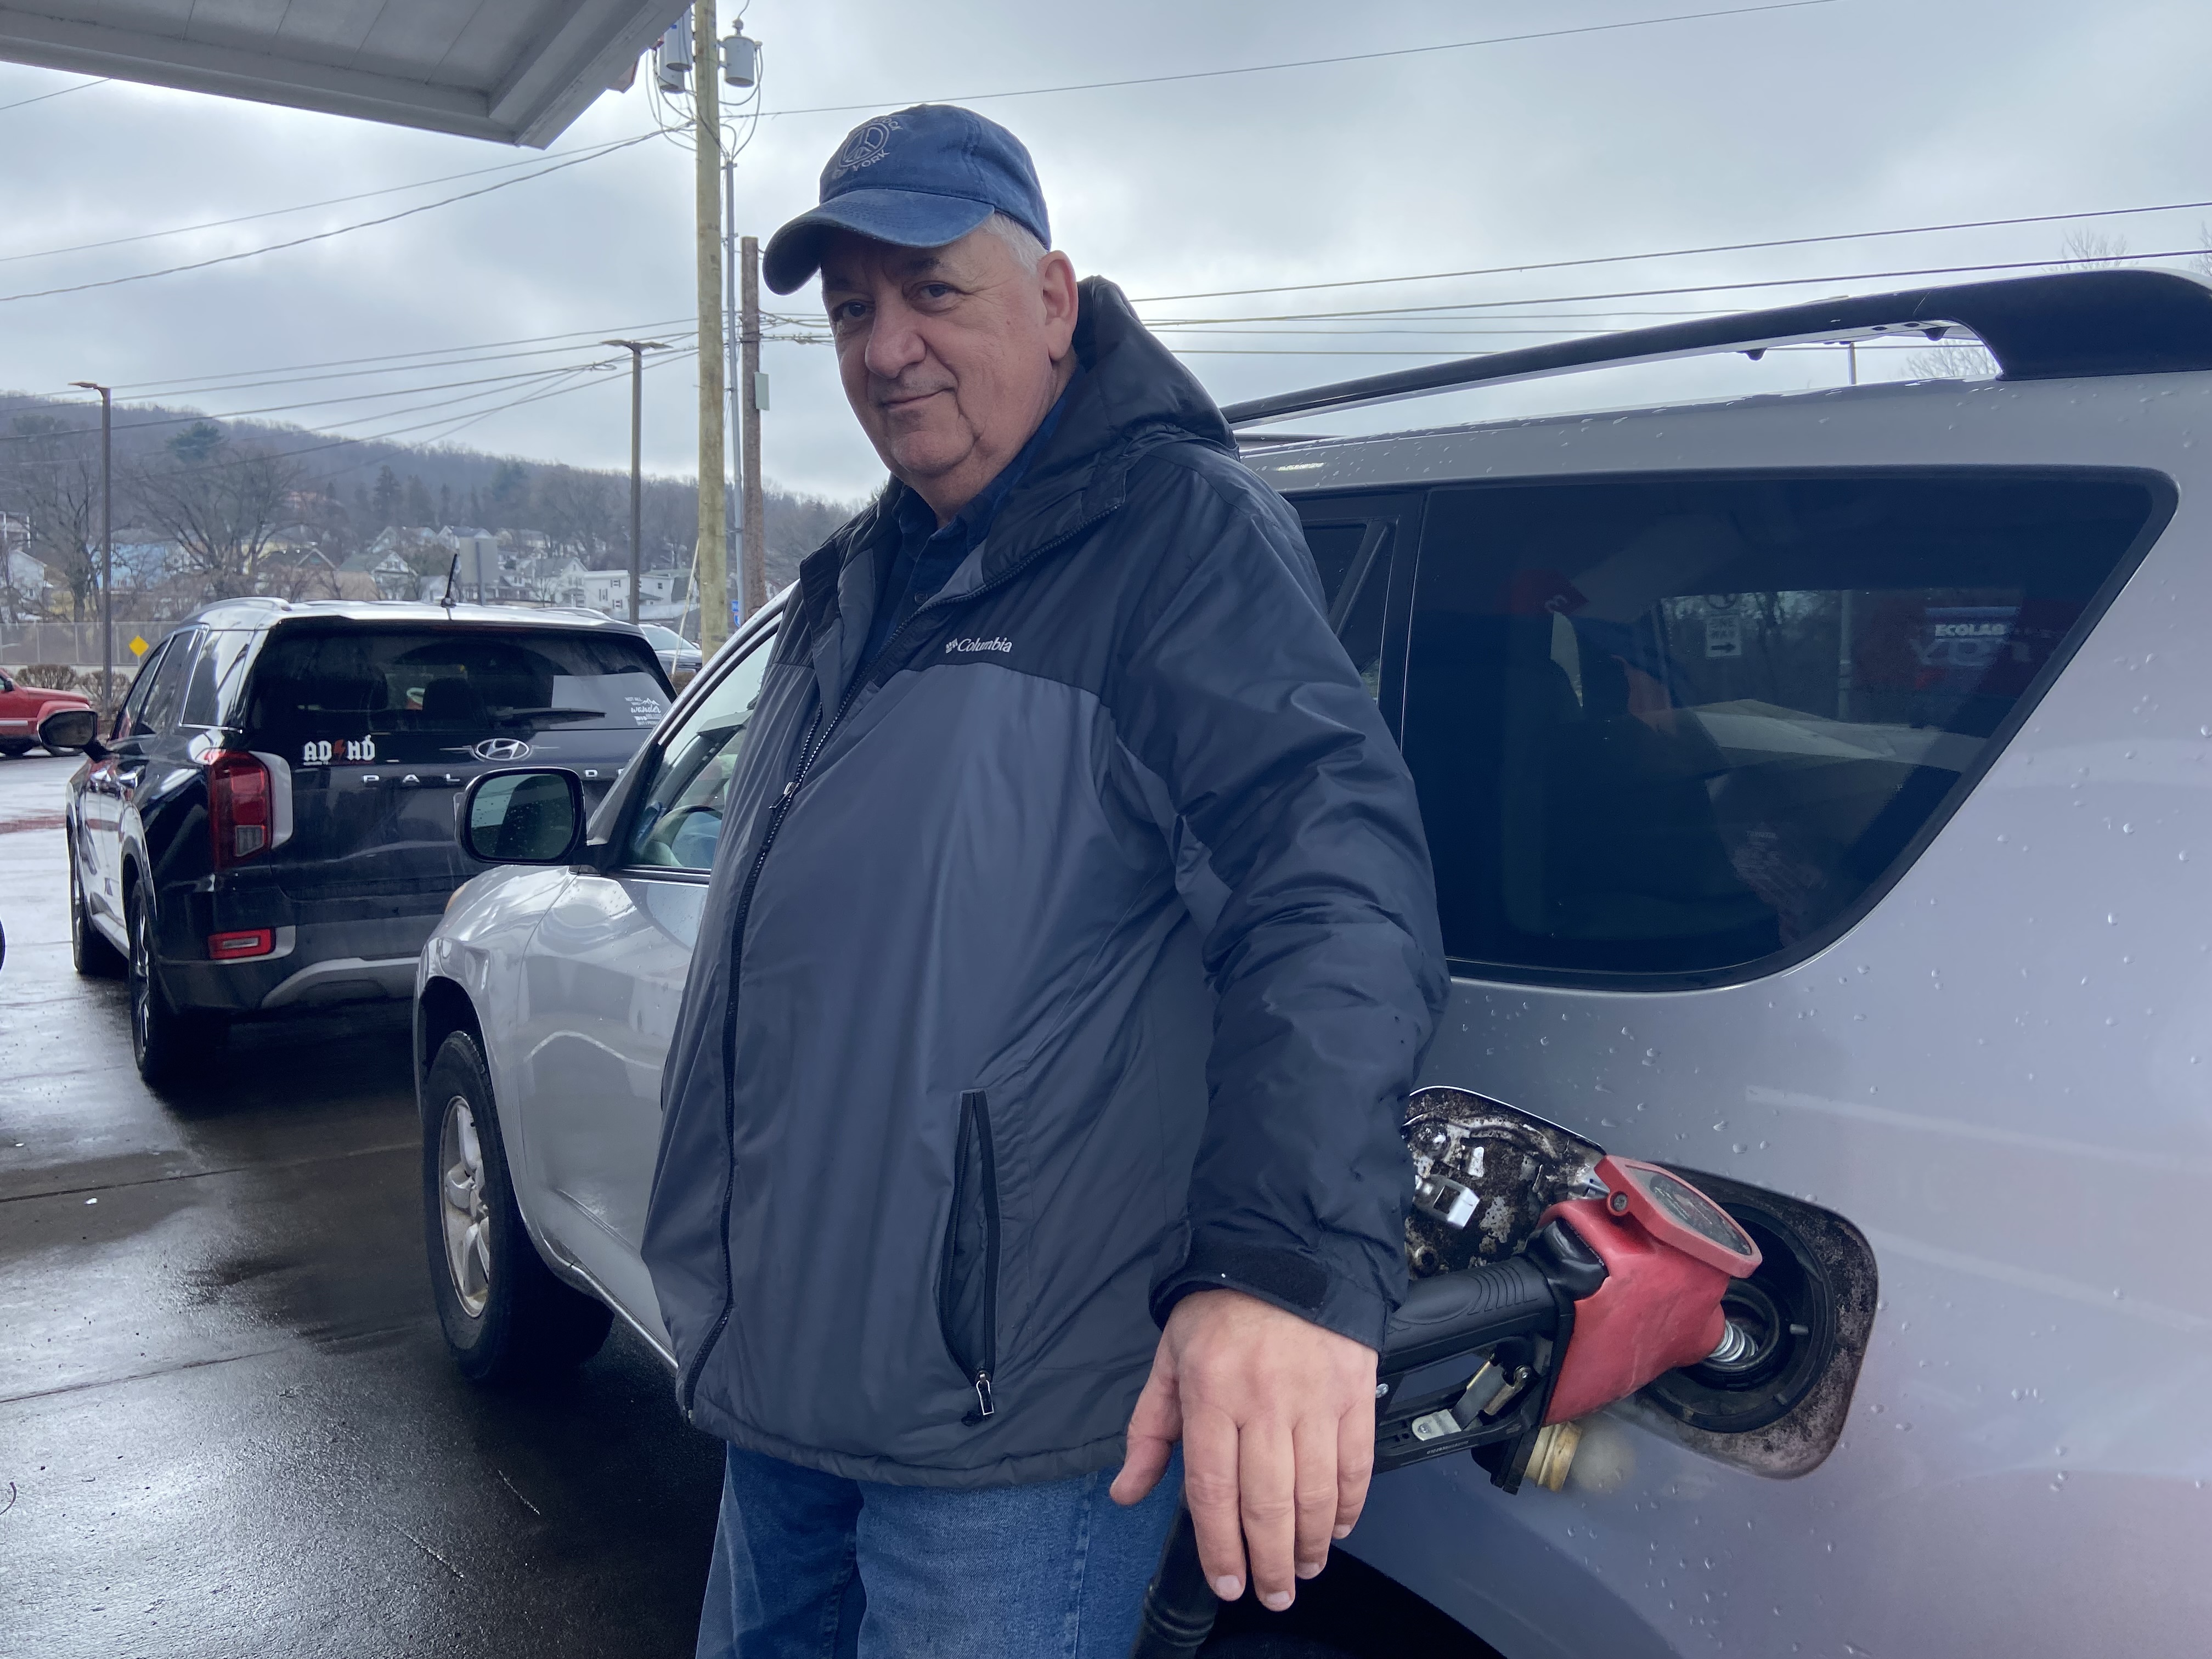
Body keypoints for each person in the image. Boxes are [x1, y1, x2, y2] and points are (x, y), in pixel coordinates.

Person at [644, 103, 1446, 1659]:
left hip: (1004, 1435)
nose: (887, 349)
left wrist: (1278, 1267)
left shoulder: (1178, 541)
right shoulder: (860, 580)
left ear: (1055, 299)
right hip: (789, 1390)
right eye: (854, 308)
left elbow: (1332, 879)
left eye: (933, 289)